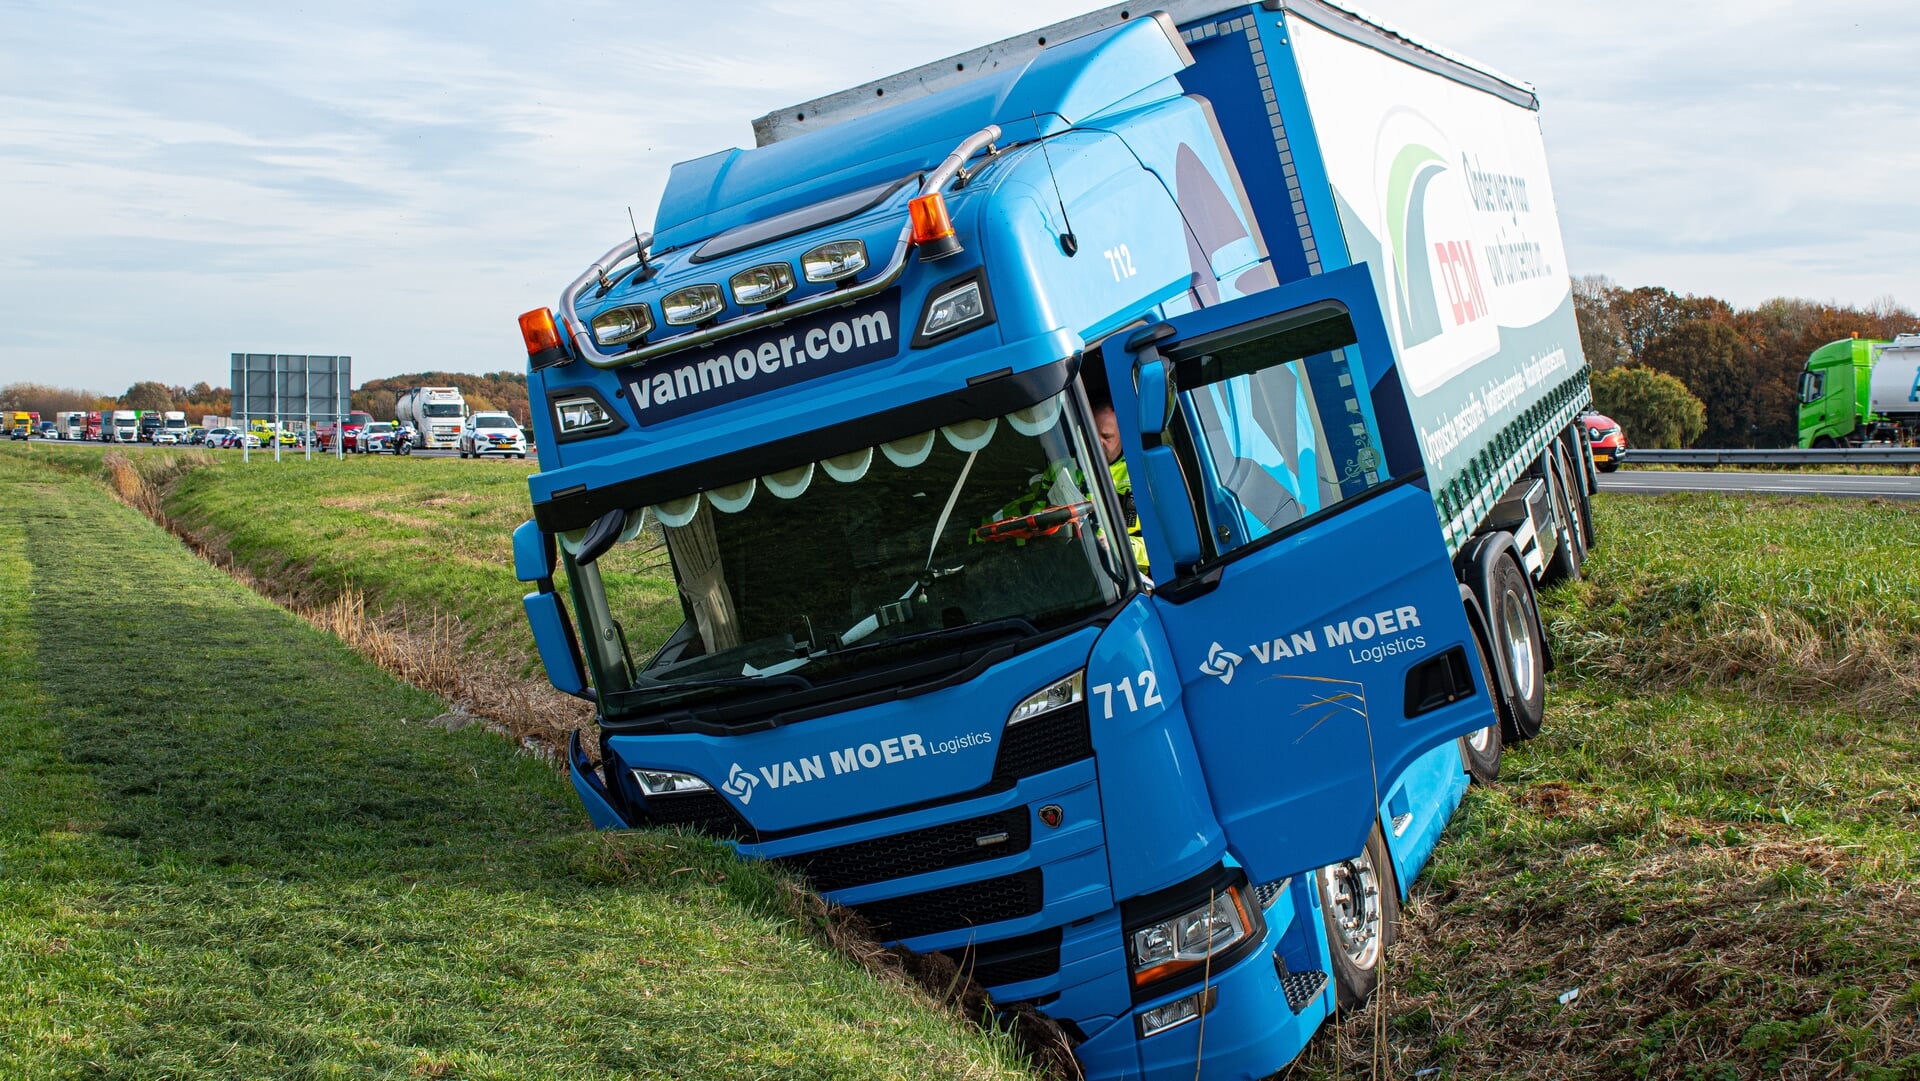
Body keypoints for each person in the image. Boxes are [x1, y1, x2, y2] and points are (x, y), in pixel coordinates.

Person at [1089, 399, 1151, 576]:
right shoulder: (1070, 467)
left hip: (1130, 579)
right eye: (1093, 435)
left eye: (1106, 437)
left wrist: (1121, 546)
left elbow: (1163, 545)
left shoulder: (1143, 474)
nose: (1098, 443)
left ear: (1123, 435)